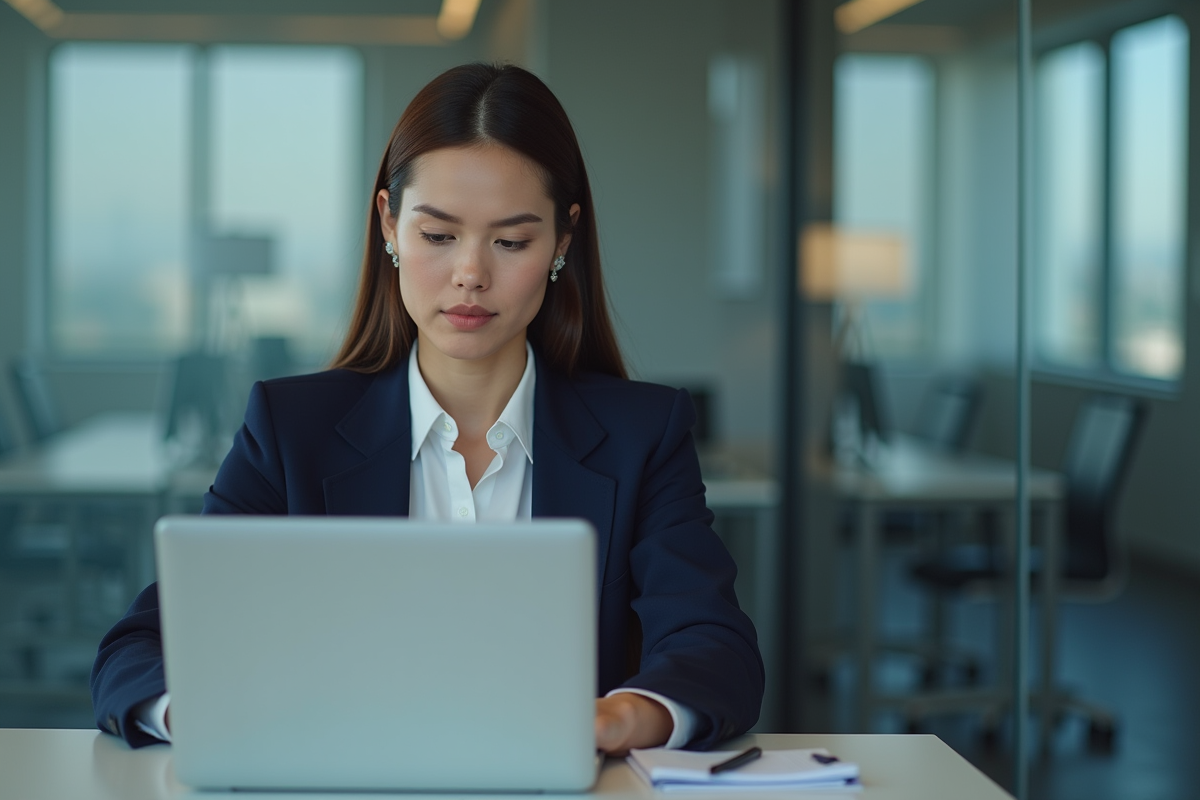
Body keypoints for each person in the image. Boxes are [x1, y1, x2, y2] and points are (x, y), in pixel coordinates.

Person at [91, 62, 763, 755]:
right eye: (438, 236)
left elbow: (715, 650)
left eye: (511, 241)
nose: (471, 272)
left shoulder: (642, 435)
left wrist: (614, 719)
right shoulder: (290, 431)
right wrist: (204, 715)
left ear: (563, 240)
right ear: (389, 223)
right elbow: (141, 649)